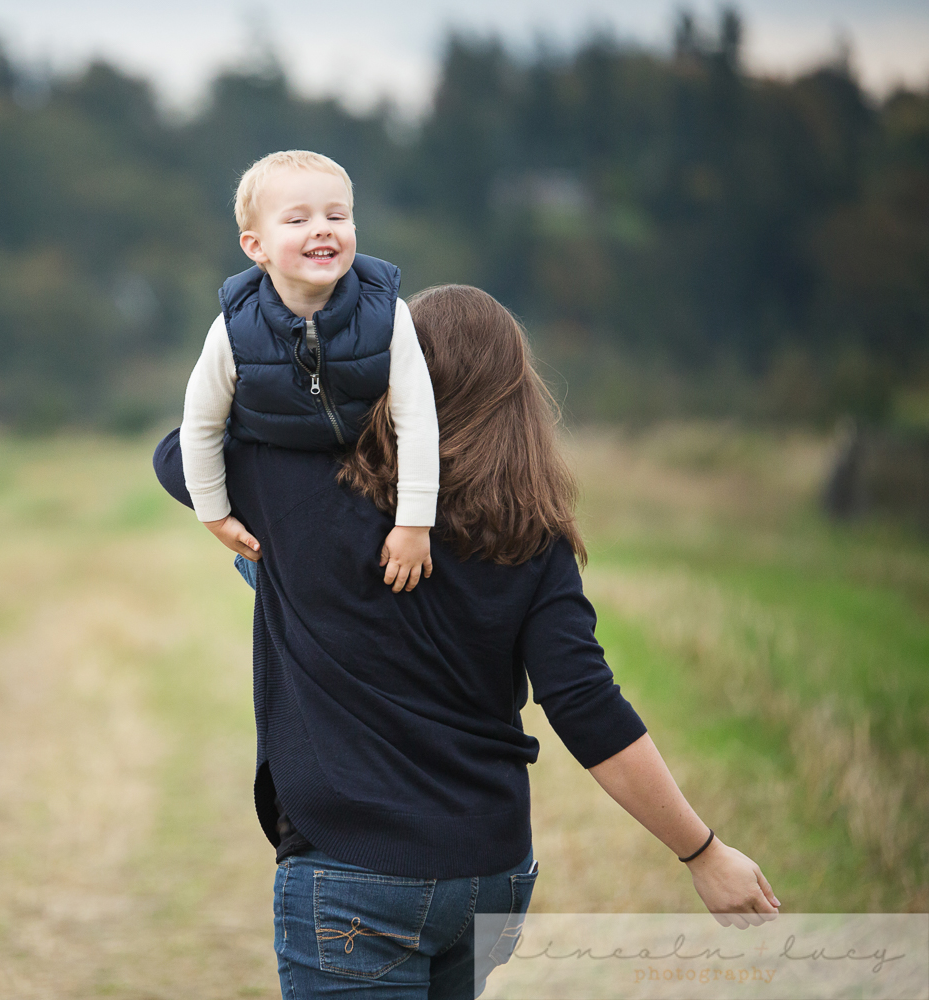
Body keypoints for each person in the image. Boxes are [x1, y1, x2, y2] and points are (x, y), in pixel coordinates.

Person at [152, 284, 780, 999]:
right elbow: (585, 707)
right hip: (490, 874)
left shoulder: (298, 485)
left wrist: (325, 389)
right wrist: (702, 852)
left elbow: (180, 453)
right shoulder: (533, 537)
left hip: (354, 873)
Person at [180, 150, 440, 594]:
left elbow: (416, 420)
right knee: (293, 595)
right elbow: (201, 426)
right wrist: (216, 515)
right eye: (297, 221)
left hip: (366, 481)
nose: (322, 227)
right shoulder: (233, 331)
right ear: (255, 246)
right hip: (278, 493)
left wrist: (414, 525)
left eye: (336, 216)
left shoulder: (389, 316)